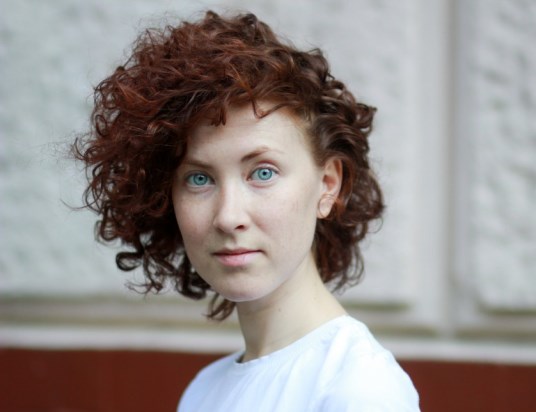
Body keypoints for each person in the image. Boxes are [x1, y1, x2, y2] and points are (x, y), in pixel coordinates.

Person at [74, 10, 420, 411]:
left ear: (328, 184)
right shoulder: (205, 390)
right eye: (199, 179)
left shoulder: (358, 389)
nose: (227, 216)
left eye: (262, 172)